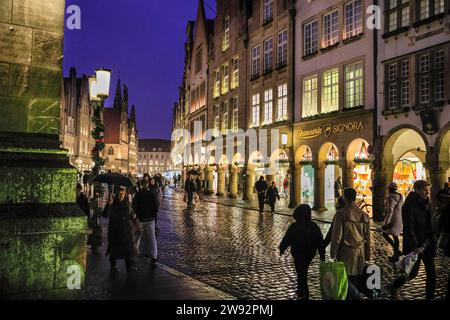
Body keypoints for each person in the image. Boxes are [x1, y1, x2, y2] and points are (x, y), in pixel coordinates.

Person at [389, 180, 436, 300]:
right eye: (425, 190)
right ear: (417, 190)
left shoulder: (427, 203)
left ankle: (430, 297)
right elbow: (409, 228)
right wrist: (415, 246)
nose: (427, 192)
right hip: (416, 245)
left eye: (428, 190)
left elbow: (430, 223)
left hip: (428, 243)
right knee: (412, 273)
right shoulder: (409, 205)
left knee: (432, 274)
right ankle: (394, 286)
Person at [280, 204, 325, 300]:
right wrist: (322, 253)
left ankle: (304, 292)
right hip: (310, 254)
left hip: (298, 253)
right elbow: (320, 240)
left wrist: (282, 248)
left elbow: (287, 239)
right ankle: (300, 289)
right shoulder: (313, 226)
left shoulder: (294, 226)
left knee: (301, 272)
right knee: (302, 271)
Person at [330, 188, 370, 293]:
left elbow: (337, 236)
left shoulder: (341, 214)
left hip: (345, 252)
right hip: (360, 252)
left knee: (346, 279)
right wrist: (367, 254)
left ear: (344, 197)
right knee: (356, 278)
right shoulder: (364, 215)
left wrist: (333, 254)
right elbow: (367, 238)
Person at [104, 187, 138, 274]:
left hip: (126, 230)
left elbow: (131, 214)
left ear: (125, 194)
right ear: (116, 195)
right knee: (114, 249)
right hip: (115, 231)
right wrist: (108, 204)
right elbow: (105, 215)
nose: (121, 196)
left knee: (127, 249)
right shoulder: (112, 203)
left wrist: (136, 221)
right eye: (119, 194)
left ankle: (129, 266)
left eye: (122, 194)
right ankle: (113, 266)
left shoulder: (127, 203)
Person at [132, 179, 159, 266]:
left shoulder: (137, 195)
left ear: (140, 185)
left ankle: (133, 254)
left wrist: (135, 217)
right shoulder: (152, 194)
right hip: (150, 219)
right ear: (147, 185)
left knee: (136, 237)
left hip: (140, 219)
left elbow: (134, 207)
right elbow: (156, 206)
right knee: (152, 238)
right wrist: (154, 215)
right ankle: (154, 257)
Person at [382, 182, 403, 262]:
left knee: (385, 234)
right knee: (395, 236)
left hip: (392, 219)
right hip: (398, 218)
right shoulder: (400, 196)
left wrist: (386, 223)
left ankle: (396, 254)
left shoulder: (391, 198)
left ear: (389, 189)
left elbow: (390, 211)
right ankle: (396, 253)